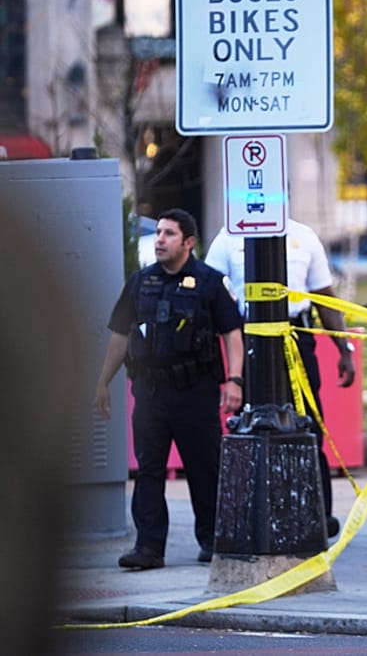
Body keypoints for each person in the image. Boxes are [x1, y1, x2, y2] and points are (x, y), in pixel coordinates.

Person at [93, 209, 244, 569]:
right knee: (149, 470)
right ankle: (148, 548)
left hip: (196, 391)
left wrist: (235, 380)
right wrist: (103, 382)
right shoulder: (140, 282)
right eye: (158, 232)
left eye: (169, 234)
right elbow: (119, 336)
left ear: (188, 242)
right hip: (151, 392)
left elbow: (232, 334)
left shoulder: (210, 282)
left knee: (204, 467)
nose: (160, 239)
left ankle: (212, 539)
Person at [206, 218, 356, 538]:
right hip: (250, 338)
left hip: (296, 337)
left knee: (307, 422)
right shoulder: (229, 237)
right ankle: (251, 514)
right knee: (249, 427)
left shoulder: (304, 236)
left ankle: (317, 514)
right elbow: (209, 294)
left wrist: (344, 349)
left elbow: (324, 297)